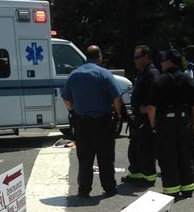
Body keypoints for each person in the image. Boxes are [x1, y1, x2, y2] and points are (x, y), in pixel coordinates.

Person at [62, 45, 123, 198]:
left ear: (86, 57)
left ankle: (84, 190)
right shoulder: (104, 74)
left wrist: (73, 111)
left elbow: (66, 98)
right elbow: (117, 98)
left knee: (85, 159)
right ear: (99, 56)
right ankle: (109, 188)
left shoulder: (74, 75)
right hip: (103, 123)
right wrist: (118, 114)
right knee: (105, 158)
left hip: (82, 123)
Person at [147, 49, 194, 200]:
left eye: (163, 60)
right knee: (185, 155)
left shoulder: (160, 81)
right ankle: (188, 188)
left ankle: (171, 190)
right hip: (184, 121)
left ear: (169, 62)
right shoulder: (188, 80)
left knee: (168, 157)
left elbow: (151, 108)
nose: (161, 63)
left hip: (166, 123)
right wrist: (193, 125)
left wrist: (153, 124)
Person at [122, 45, 160, 186]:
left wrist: (148, 111)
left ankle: (149, 178)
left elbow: (157, 96)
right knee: (135, 148)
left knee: (146, 149)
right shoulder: (143, 73)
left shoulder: (152, 73)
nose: (134, 61)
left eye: (136, 58)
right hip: (138, 118)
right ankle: (135, 174)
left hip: (146, 118)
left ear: (145, 57)